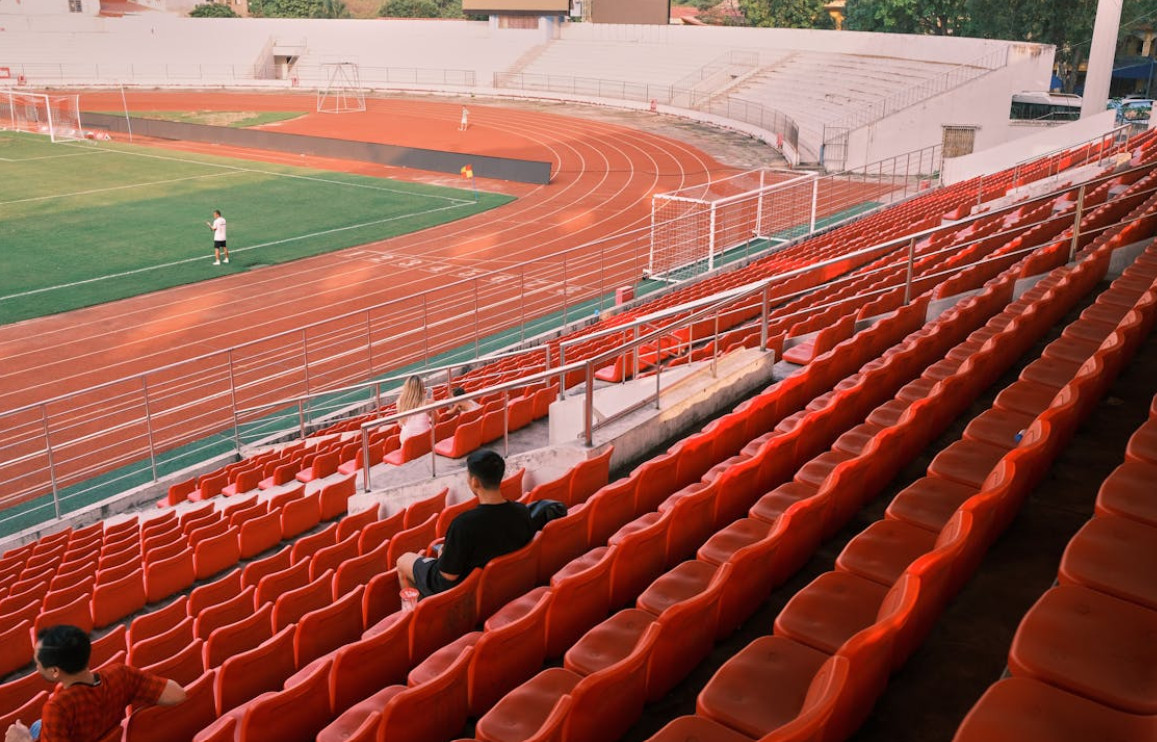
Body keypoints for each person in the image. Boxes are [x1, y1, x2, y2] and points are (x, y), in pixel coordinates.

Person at [4, 625, 187, 742]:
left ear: (55, 671)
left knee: (30, 729)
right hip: (104, 726)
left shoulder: (58, 708)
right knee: (38, 725)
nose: (36, 666)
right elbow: (178, 694)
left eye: (38, 663)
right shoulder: (121, 674)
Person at [397, 449, 534, 598]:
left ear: (475, 482)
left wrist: (444, 557)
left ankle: (415, 613)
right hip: (502, 582)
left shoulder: (463, 524)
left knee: (403, 560)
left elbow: (448, 576)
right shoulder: (522, 511)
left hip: (466, 590)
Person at [396, 375, 431, 444]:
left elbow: (400, 424)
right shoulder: (427, 402)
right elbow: (437, 420)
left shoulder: (400, 402)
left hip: (406, 440)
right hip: (425, 438)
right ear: (421, 387)